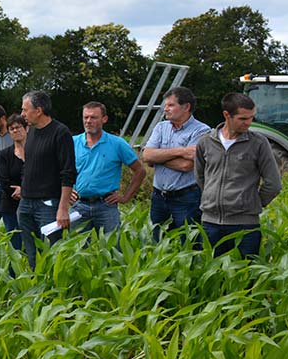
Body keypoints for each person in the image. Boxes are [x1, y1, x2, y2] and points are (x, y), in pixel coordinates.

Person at [195, 92, 282, 258]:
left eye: (251, 118)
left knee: (246, 277)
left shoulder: (259, 143)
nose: (248, 123)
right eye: (243, 119)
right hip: (210, 223)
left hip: (245, 226)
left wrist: (250, 204)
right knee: (211, 276)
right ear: (226, 115)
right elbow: (200, 177)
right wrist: (211, 198)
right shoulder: (205, 142)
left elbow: (273, 184)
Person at [143, 86, 211, 241]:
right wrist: (181, 151)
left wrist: (158, 158)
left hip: (186, 198)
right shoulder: (161, 127)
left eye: (170, 105)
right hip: (159, 197)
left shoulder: (201, 131)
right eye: (165, 105)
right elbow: (146, 155)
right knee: (158, 241)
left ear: (186, 107)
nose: (165, 109)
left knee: (189, 242)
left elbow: (186, 166)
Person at [18, 91, 76, 270]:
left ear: (39, 110)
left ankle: (53, 292)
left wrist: (63, 208)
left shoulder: (61, 133)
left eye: (25, 110)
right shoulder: (32, 132)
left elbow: (68, 172)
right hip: (26, 203)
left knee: (51, 254)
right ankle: (37, 289)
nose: (22, 114)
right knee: (31, 253)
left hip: (48, 205)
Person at [70, 101, 146, 234]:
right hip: (78, 205)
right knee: (77, 249)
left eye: (93, 117)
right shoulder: (72, 142)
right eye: (85, 117)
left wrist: (125, 197)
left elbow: (140, 170)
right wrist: (65, 190)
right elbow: (56, 169)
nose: (88, 121)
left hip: (106, 206)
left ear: (104, 119)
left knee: (112, 248)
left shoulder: (117, 144)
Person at [0, 114, 27, 252]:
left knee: (33, 243)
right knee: (15, 246)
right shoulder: (4, 154)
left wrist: (24, 190)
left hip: (32, 203)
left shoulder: (36, 152)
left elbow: (41, 176)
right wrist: (18, 191)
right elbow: (4, 180)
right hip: (10, 204)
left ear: (26, 128)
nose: (15, 131)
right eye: (11, 128)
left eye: (18, 127)